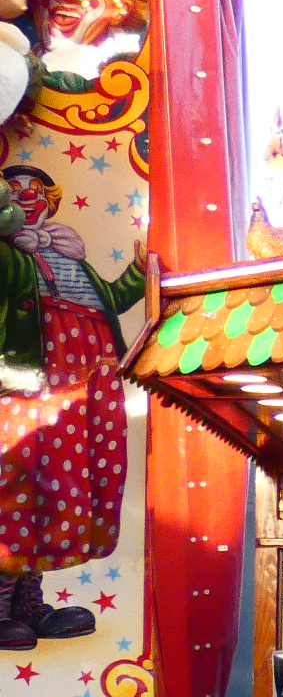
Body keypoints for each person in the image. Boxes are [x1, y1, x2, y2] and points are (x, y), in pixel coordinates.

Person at [1, 178, 137, 651]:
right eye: (15, 189)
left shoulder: (67, 249)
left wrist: (140, 272)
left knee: (58, 483)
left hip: (84, 374)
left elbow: (110, 301)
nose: (27, 196)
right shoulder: (8, 256)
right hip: (31, 374)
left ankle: (28, 603)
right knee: (17, 479)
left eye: (36, 189)